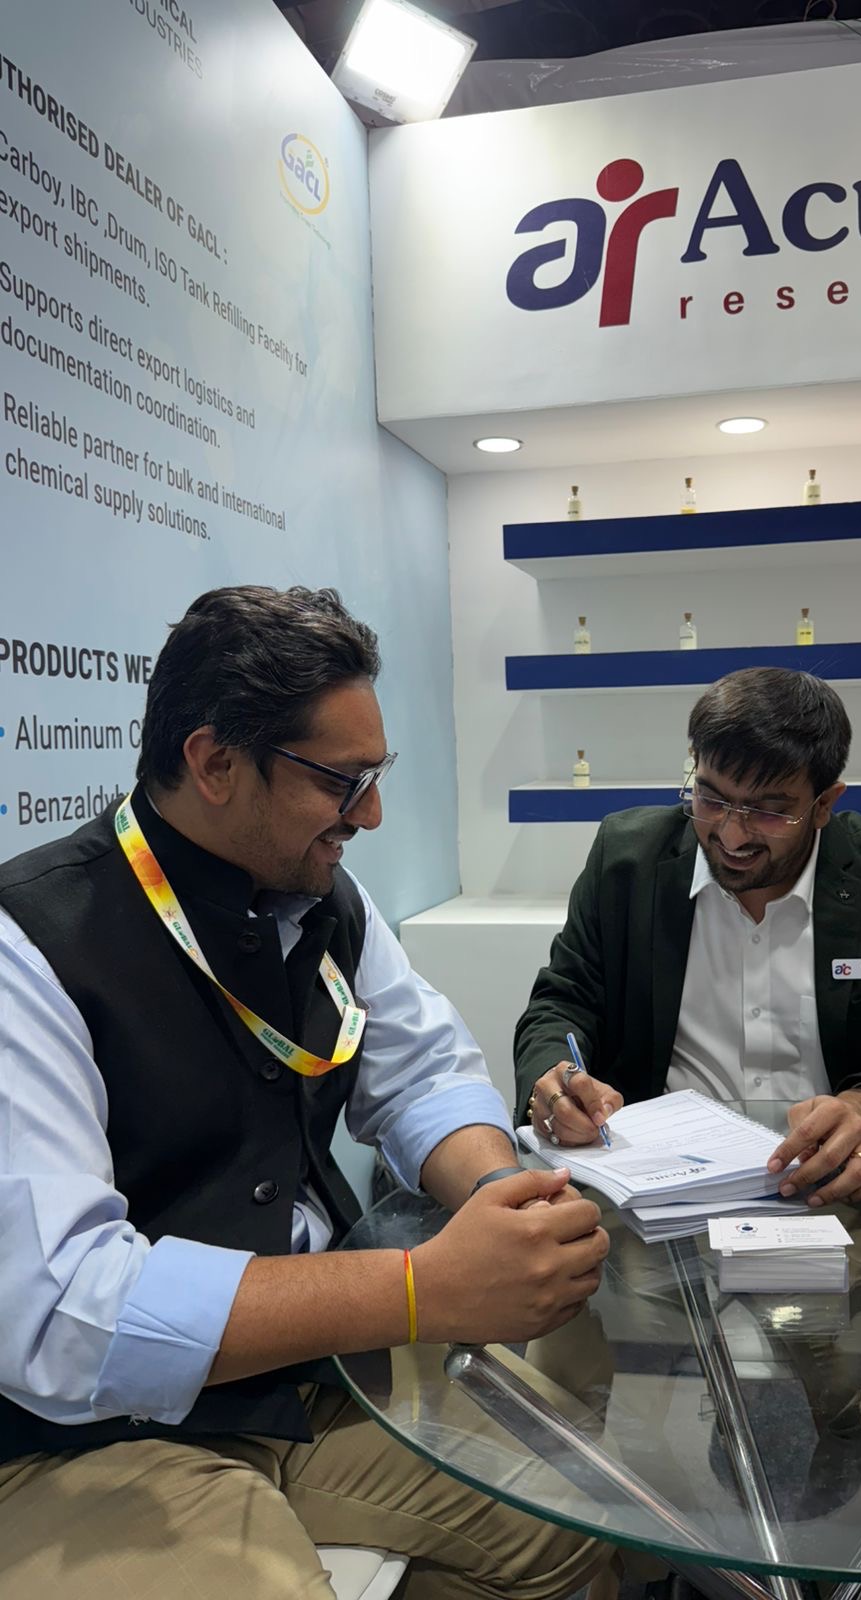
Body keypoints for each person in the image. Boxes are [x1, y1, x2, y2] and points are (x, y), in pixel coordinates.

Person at [0, 586, 613, 1600]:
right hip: (87, 1438)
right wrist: (417, 1290)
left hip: (305, 1386)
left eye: (375, 777)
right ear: (214, 763)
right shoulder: (30, 947)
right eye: (341, 782)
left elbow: (420, 1071)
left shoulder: (324, 896)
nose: (369, 814)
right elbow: (65, 1310)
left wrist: (499, 1199)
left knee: (574, 1519)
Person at [514, 667, 861, 1202]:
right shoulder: (627, 861)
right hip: (661, 1186)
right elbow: (561, 1004)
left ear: (824, 804)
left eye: (769, 812)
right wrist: (557, 1081)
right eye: (711, 799)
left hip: (838, 1186)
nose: (731, 835)